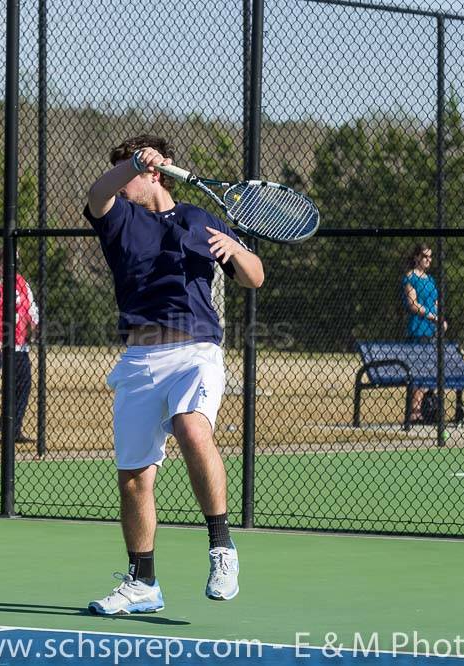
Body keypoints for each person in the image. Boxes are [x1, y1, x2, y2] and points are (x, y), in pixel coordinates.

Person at [83, 136, 264, 615]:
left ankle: (222, 549)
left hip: (195, 352)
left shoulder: (199, 219)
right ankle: (142, 582)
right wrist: (129, 168)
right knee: (134, 479)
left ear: (156, 175)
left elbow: (255, 275)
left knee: (191, 427)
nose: (124, 184)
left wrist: (237, 251)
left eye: (133, 173)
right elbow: (98, 194)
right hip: (140, 360)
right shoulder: (119, 217)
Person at [0, 249, 38, 443]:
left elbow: (31, 307)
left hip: (19, 343)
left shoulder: (20, 281)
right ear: (0, 260)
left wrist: (33, 326)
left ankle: (12, 428)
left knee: (23, 383)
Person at [401, 243, 447, 423]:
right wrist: (430, 316)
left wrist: (440, 319)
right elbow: (413, 303)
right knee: (417, 370)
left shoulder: (430, 280)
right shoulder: (410, 277)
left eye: (430, 257)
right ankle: (414, 411)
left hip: (431, 328)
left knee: (429, 369)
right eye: (425, 256)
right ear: (416, 258)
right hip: (418, 328)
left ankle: (423, 409)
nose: (428, 260)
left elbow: (435, 304)